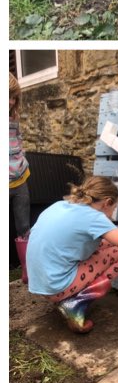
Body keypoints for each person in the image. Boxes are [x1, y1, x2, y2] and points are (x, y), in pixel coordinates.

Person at [25, 177, 118, 334]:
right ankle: (74, 304)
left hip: (39, 281)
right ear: (107, 202)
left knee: (111, 243)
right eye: (113, 208)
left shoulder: (60, 205)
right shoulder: (94, 217)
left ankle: (69, 297)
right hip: (56, 286)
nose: (111, 216)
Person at [10, 74, 31, 273]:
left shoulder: (13, 118)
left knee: (24, 227)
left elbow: (19, 141)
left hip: (21, 180)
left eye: (14, 97)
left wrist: (21, 160)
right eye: (7, 96)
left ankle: (27, 268)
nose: (10, 101)